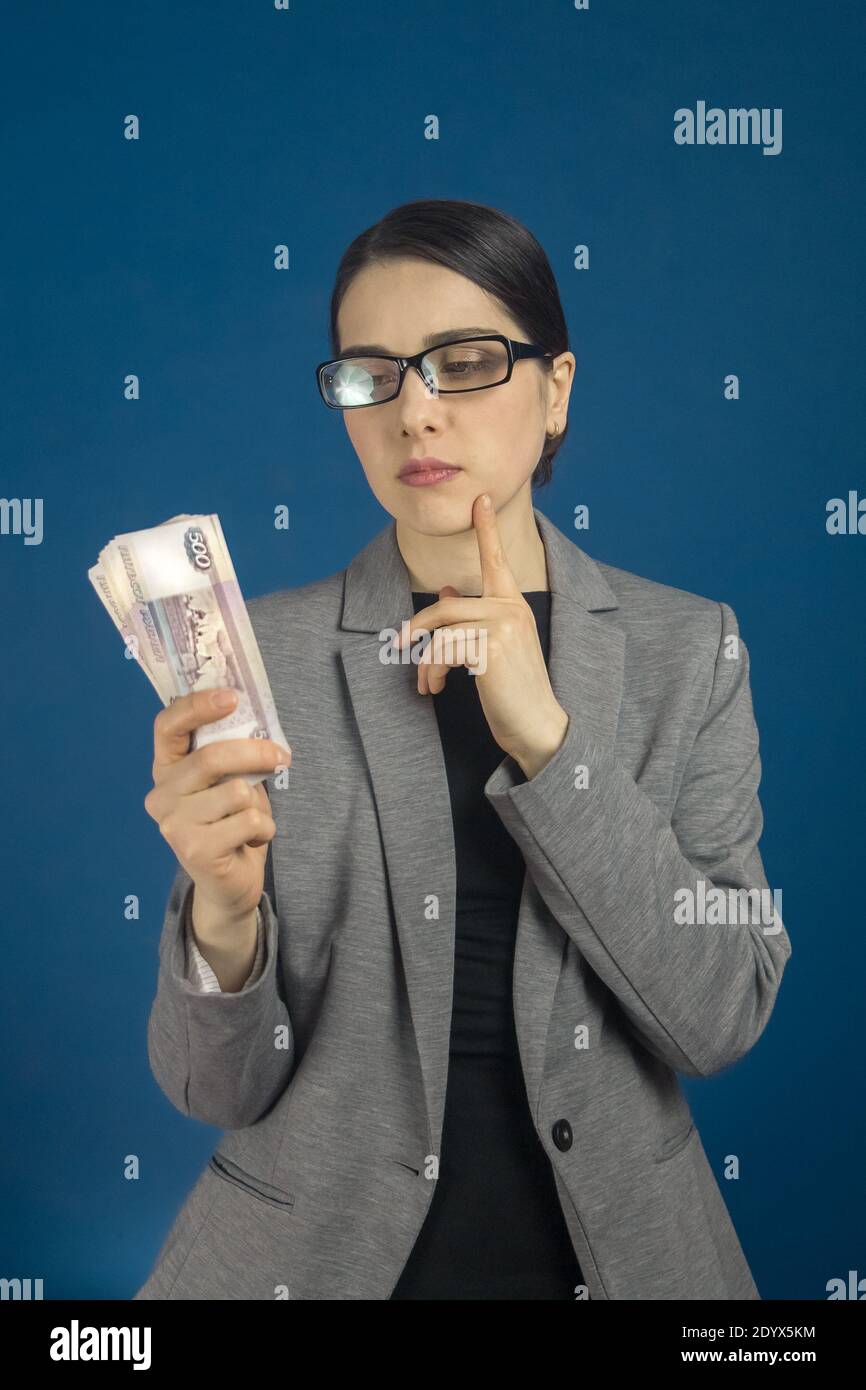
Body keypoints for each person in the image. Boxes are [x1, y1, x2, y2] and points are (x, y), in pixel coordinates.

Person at [134, 198, 791, 1301]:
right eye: (370, 373)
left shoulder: (691, 649)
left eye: (464, 361)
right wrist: (222, 922)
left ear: (556, 389)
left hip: (621, 1259)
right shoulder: (261, 656)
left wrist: (547, 740)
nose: (414, 414)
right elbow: (215, 1090)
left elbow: (720, 1015)